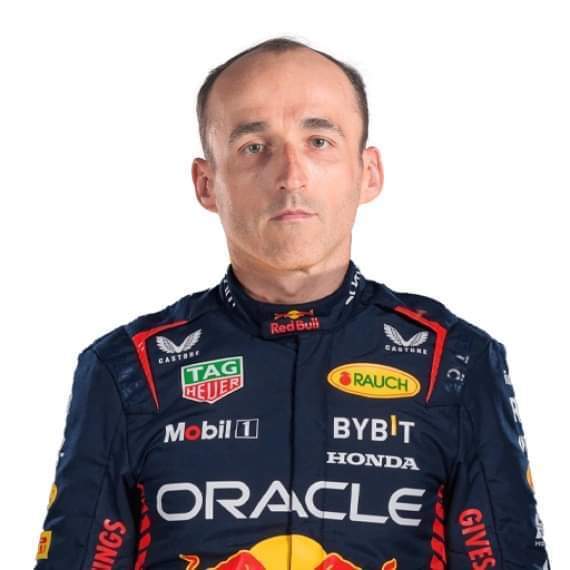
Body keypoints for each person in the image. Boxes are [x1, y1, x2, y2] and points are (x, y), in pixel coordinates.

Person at [34, 36, 550, 570]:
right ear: (207, 183)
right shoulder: (127, 369)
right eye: (254, 147)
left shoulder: (455, 362)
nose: (290, 176)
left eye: (319, 141)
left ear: (368, 173)